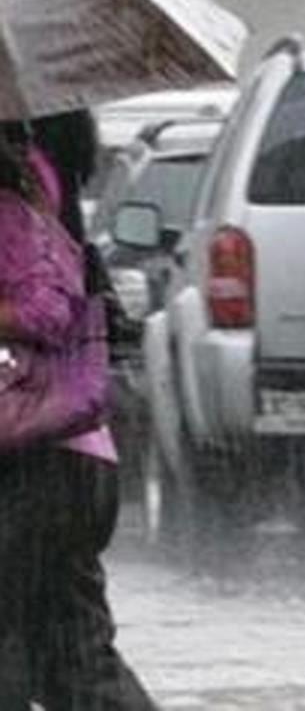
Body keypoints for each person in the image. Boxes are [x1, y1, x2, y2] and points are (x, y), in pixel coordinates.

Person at [0, 115, 157, 709]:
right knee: (76, 659)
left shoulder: (14, 207)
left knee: (25, 650)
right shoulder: (38, 188)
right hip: (68, 459)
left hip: (37, 462)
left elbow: (48, 310)